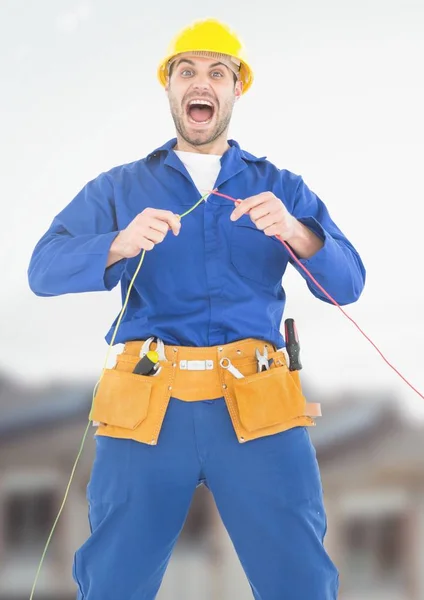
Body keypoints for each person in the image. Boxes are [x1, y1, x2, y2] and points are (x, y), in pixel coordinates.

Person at [28, 17, 365, 600]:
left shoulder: (282, 186)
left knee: (302, 583)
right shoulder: (120, 187)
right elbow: (43, 270)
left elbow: (349, 283)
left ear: (237, 89)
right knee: (112, 584)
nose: (200, 81)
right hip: (146, 409)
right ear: (169, 88)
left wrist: (296, 231)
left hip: (259, 407)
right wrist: (117, 242)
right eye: (186, 71)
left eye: (217, 72)